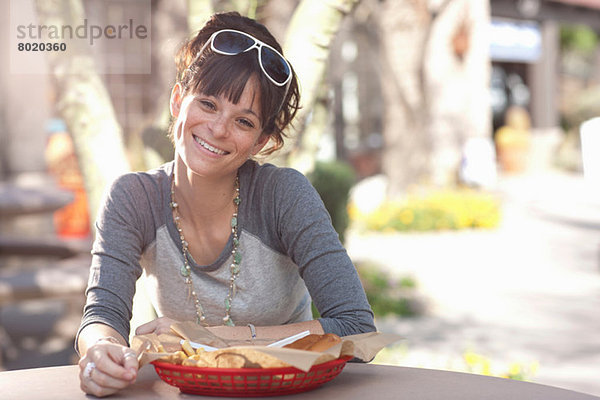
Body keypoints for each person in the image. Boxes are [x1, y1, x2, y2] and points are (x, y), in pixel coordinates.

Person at [76, 11, 375, 397]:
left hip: (288, 390)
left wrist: (213, 338)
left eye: (244, 121)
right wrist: (101, 353)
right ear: (178, 100)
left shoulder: (282, 195)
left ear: (263, 142)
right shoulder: (133, 198)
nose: (218, 129)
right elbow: (101, 316)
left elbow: (356, 326)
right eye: (208, 104)